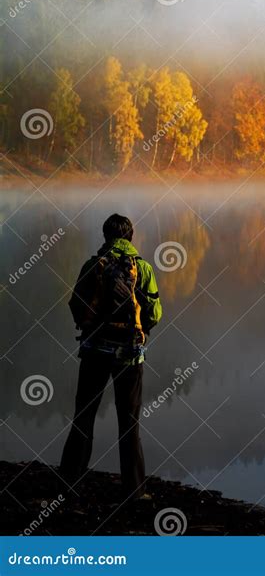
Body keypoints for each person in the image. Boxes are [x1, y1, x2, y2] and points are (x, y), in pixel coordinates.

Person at [60, 213, 162, 500]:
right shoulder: (142, 269)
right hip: (130, 355)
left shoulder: (93, 266)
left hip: (94, 352)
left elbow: (75, 304)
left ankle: (70, 484)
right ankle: (134, 490)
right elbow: (155, 313)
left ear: (105, 237)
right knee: (129, 423)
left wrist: (89, 324)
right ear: (131, 237)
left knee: (84, 417)